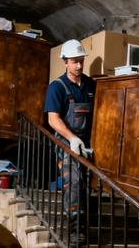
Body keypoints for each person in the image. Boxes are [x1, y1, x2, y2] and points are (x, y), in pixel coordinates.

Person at [43, 39, 95, 245]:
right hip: (65, 141)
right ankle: (75, 231)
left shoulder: (91, 85)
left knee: (85, 183)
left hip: (86, 141)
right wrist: (72, 139)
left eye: (81, 61)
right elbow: (52, 119)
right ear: (65, 61)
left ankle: (87, 222)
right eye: (75, 61)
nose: (79, 66)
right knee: (73, 181)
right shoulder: (57, 87)